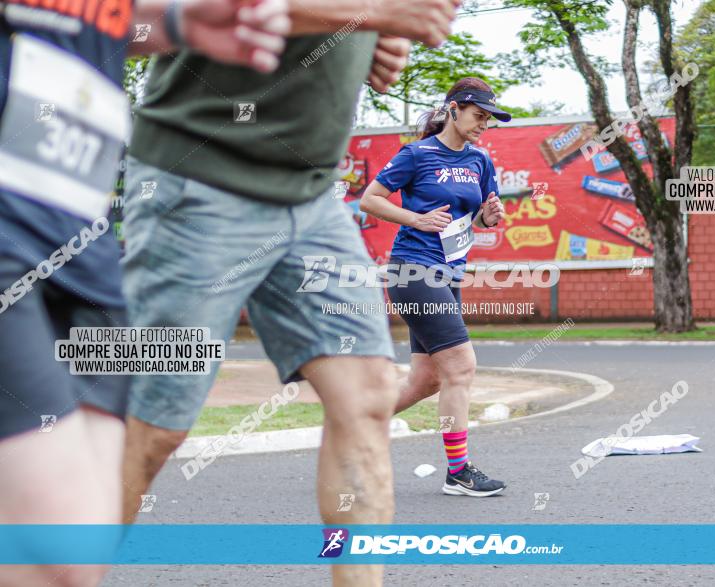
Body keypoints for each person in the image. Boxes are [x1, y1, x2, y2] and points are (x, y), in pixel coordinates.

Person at [118, 2, 460, 586]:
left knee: (368, 393)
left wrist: (363, 38)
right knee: (155, 425)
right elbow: (135, 21)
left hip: (311, 194)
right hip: (198, 176)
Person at [0, 1, 288, 585]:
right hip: (9, 229)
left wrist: (177, 26)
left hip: (85, 245)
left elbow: (109, 25)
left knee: (79, 548)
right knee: (63, 557)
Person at [360, 77, 509, 497]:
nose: (484, 125)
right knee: (461, 368)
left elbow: (479, 221)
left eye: (489, 119)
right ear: (454, 110)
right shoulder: (417, 154)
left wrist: (490, 216)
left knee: (427, 380)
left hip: (448, 275)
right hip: (414, 270)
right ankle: (458, 472)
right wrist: (416, 219)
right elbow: (370, 199)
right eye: (478, 116)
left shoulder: (480, 162)